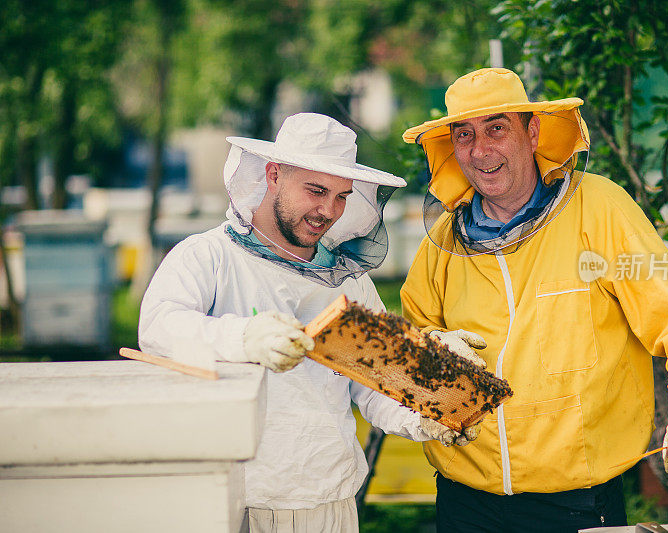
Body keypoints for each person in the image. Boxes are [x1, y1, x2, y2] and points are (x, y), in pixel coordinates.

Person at [399, 68, 668, 532]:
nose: (480, 150)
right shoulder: (441, 242)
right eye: (464, 135)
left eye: (497, 128)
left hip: (576, 502)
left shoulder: (600, 208)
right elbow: (413, 336)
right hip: (463, 500)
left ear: (532, 131)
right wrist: (434, 353)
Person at [138, 113, 479, 533]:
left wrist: (428, 408)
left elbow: (375, 385)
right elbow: (159, 330)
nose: (329, 211)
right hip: (227, 500)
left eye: (342, 196)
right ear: (274, 174)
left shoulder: (349, 284)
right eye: (316, 190)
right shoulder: (207, 257)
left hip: (326, 500)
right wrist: (244, 337)